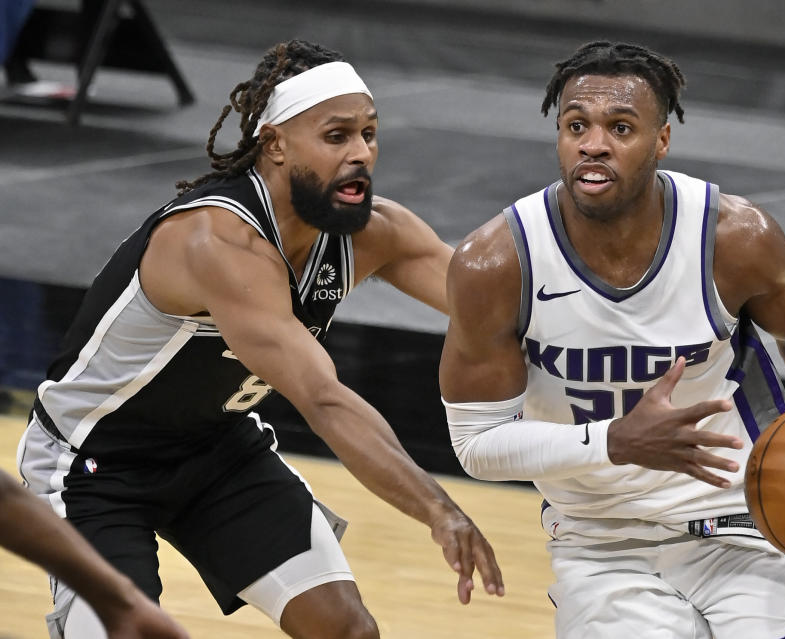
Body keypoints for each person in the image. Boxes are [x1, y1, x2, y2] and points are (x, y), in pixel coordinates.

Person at [18, 39, 503, 639]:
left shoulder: (376, 231)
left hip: (219, 452)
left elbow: (497, 312)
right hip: (93, 466)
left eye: (369, 134)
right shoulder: (216, 242)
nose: (361, 154)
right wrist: (438, 509)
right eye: (337, 137)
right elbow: (323, 401)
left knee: (347, 632)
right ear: (275, 144)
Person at [439, 40, 785, 638]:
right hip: (601, 540)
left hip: (744, 517)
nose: (593, 144)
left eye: (620, 127)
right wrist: (616, 441)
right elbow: (477, 444)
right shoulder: (496, 263)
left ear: (660, 141)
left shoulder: (733, 237)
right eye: (576, 125)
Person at [0, 468, 189, 638]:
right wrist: (123, 603)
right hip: (88, 464)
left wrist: (123, 603)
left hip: (208, 453)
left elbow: (6, 498)